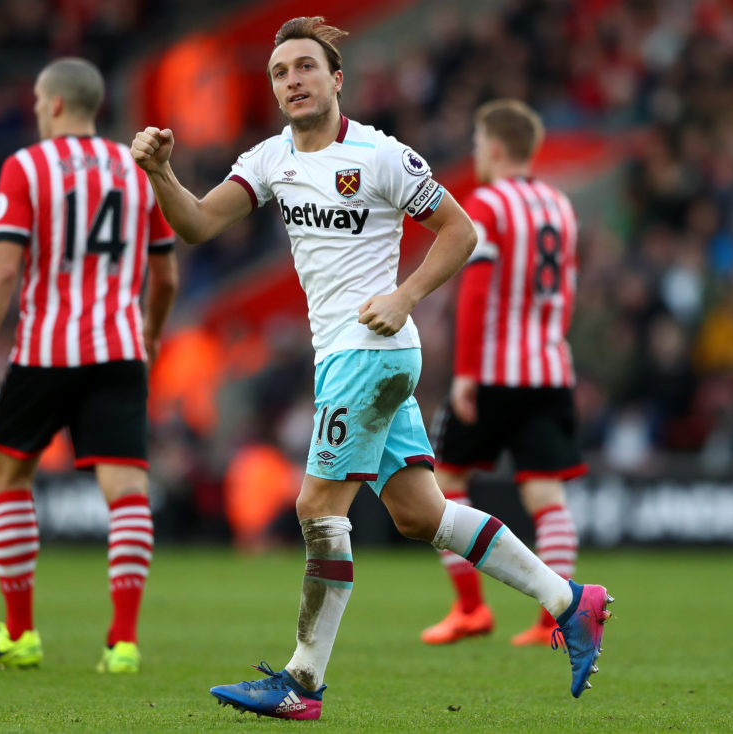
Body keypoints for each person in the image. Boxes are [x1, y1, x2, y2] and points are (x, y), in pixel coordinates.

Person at [131, 16, 612, 719]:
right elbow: (199, 224)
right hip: (347, 357)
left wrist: (406, 293)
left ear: (336, 79)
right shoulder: (270, 160)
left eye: (305, 68)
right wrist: (161, 173)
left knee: (316, 507)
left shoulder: (383, 156)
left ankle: (302, 683)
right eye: (279, 72)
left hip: (372, 351)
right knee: (422, 515)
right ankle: (570, 601)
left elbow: (461, 230)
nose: (292, 80)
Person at [0, 57, 178, 674]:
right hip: (121, 348)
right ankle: (123, 642)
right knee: (127, 493)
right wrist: (150, 333)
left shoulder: (26, 167)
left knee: (9, 475)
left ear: (51, 104)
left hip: (47, 350)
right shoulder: (136, 169)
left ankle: (21, 634)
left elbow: (1, 268)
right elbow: (166, 273)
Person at [422, 99, 588, 648]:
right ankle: (553, 619)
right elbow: (566, 291)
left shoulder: (488, 205)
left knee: (443, 485)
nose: (475, 154)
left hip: (493, 371)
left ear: (495, 147)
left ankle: (471, 608)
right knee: (547, 494)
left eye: (476, 144)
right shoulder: (560, 205)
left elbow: (473, 294)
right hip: (549, 366)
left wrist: (465, 373)